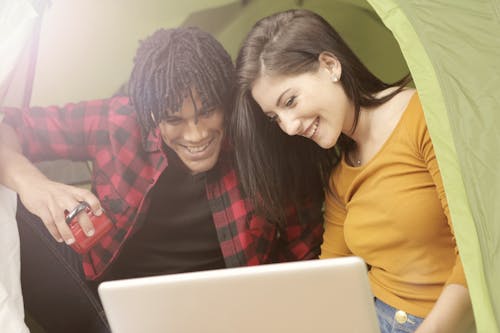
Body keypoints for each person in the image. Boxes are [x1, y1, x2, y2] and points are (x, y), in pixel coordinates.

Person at [0, 27, 324, 333]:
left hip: (206, 318)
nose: (196, 135)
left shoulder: (263, 147)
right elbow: (7, 125)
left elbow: (305, 256)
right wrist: (35, 186)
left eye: (208, 111)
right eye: (174, 119)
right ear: (151, 114)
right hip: (101, 297)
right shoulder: (118, 122)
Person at [231, 9, 474, 333]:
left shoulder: (424, 120)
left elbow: (477, 256)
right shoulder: (340, 177)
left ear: (330, 66)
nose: (288, 128)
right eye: (274, 117)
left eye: (289, 101)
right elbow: (332, 277)